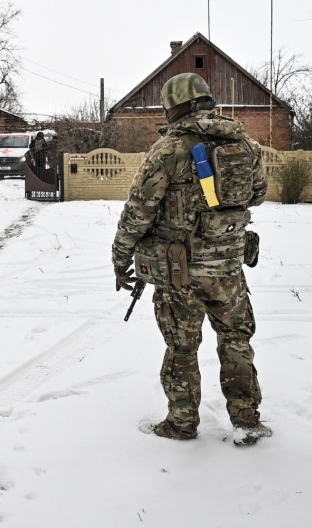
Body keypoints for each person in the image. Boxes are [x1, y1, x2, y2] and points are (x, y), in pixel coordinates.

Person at [111, 72, 271, 446]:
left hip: (179, 272)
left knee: (182, 347)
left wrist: (120, 257)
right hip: (228, 268)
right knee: (236, 339)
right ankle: (247, 421)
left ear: (172, 107)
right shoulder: (245, 144)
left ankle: (181, 423)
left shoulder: (169, 150)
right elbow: (259, 194)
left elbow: (138, 212)